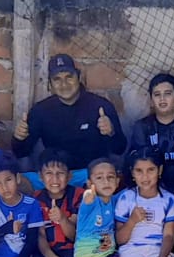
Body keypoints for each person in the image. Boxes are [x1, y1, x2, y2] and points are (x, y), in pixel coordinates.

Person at [14, 55, 127, 190]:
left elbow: (120, 149)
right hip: (56, 178)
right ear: (50, 84)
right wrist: (19, 138)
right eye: (57, 79)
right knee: (19, 181)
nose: (64, 84)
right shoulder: (41, 110)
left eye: (69, 77)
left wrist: (111, 132)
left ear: (78, 77)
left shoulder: (100, 106)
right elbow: (21, 152)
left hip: (89, 176)